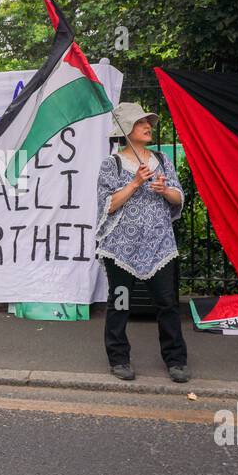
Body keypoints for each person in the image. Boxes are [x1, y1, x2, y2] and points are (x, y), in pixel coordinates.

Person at [95, 102, 190, 383]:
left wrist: (165, 190)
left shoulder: (161, 159)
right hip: (121, 249)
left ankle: (176, 360)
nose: (148, 126)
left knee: (167, 304)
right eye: (140, 123)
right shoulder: (110, 164)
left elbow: (178, 197)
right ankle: (119, 358)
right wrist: (135, 183)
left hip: (159, 246)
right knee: (121, 303)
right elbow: (107, 205)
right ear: (126, 130)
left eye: (148, 122)